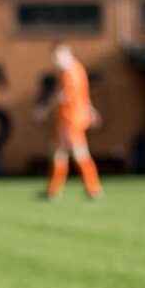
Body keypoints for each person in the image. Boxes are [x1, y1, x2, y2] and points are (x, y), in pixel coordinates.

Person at [35, 42, 104, 199]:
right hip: (73, 117)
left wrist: (44, 110)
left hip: (71, 119)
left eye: (57, 57)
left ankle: (93, 188)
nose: (56, 60)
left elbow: (63, 96)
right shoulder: (78, 69)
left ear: (67, 54)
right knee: (62, 154)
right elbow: (83, 95)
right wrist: (90, 109)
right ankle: (55, 190)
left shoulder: (70, 72)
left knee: (77, 154)